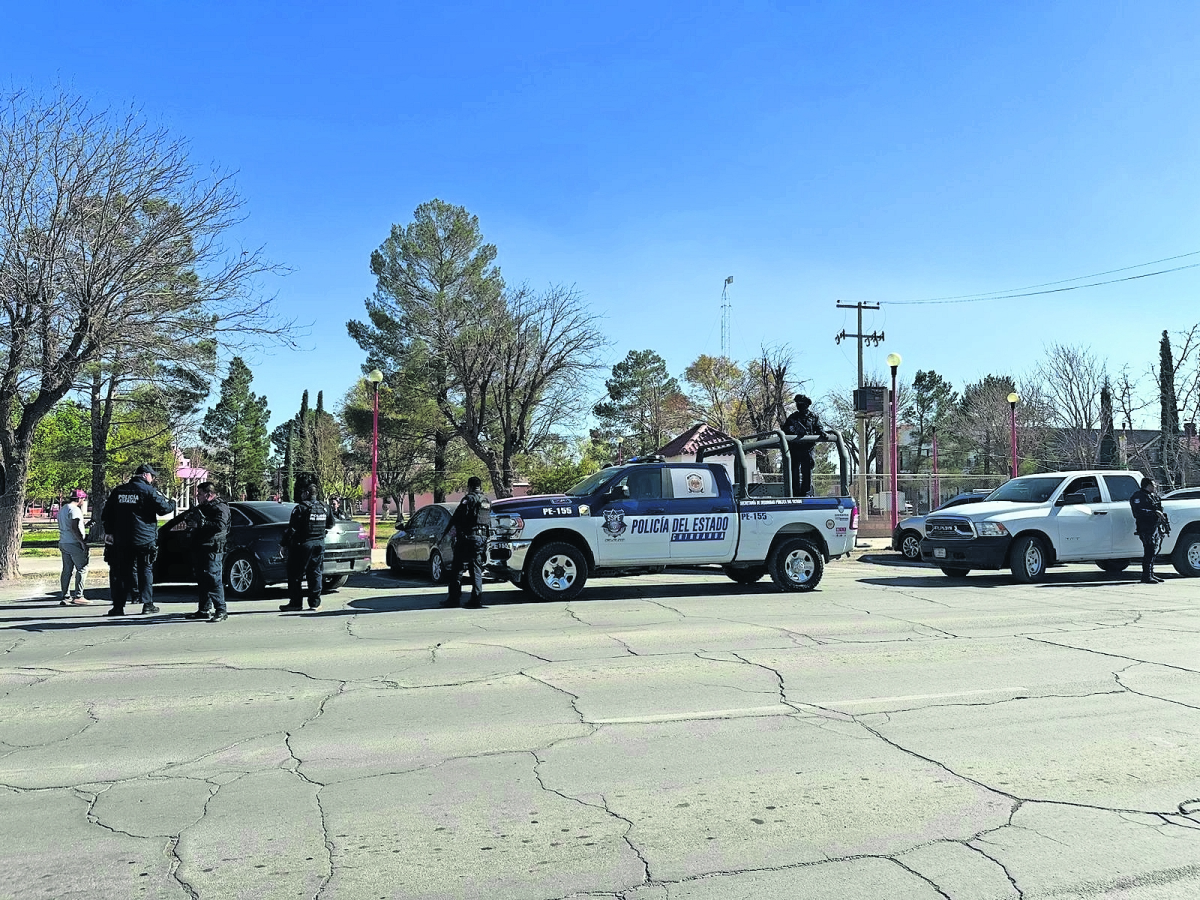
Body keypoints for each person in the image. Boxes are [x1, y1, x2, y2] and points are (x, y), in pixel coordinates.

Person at [101, 463, 176, 616]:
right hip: (144, 539)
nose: (153, 479)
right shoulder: (148, 491)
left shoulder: (119, 491)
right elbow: (164, 510)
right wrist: (173, 503)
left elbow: (106, 514)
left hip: (122, 540)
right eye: (152, 476)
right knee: (145, 571)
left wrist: (109, 532)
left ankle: (118, 607)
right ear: (144, 475)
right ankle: (147, 604)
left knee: (121, 572)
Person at [280, 480, 333, 612]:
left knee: (295, 574)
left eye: (303, 492)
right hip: (319, 544)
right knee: (315, 573)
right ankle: (315, 603)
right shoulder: (324, 507)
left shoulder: (301, 508)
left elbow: (292, 529)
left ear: (307, 493)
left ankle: (295, 603)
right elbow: (330, 524)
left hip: (302, 545)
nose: (301, 495)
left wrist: (283, 544)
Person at [183, 482, 231, 622]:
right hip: (201, 547)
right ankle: (204, 609)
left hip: (213, 548)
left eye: (200, 494)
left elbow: (220, 525)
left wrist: (201, 524)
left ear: (209, 495)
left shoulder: (220, 507)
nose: (197, 496)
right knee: (203, 579)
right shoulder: (203, 508)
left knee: (213, 579)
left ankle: (221, 610)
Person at [439, 476, 490, 609]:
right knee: (476, 569)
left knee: (457, 568)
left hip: (468, 538)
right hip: (481, 538)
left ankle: (454, 599)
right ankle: (476, 600)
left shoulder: (469, 499)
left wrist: (447, 533)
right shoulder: (486, 501)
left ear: (470, 486)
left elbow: (457, 517)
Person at [782, 394, 824, 498]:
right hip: (795, 448)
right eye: (798, 404)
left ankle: (806, 493)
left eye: (801, 404)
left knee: (807, 472)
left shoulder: (813, 417)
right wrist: (793, 430)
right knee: (794, 471)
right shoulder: (793, 417)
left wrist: (822, 432)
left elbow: (819, 427)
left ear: (806, 405)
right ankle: (795, 492)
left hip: (807, 449)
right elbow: (785, 429)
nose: (799, 406)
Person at [1130, 476, 1168, 584]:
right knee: (1149, 550)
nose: (1155, 486)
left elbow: (1159, 509)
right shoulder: (1138, 497)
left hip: (1154, 526)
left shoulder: (1153, 496)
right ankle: (1146, 576)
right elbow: (1138, 512)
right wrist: (1154, 513)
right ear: (1148, 485)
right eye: (1153, 485)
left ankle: (1151, 574)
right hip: (1145, 527)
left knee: (1153, 551)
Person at [57, 489, 92, 606]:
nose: (84, 501)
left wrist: (85, 525)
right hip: (74, 542)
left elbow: (69, 525)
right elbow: (74, 527)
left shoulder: (63, 509)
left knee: (67, 569)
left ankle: (65, 596)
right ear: (80, 499)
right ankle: (79, 595)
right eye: (83, 499)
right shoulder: (75, 509)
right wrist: (82, 542)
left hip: (63, 541)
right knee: (82, 568)